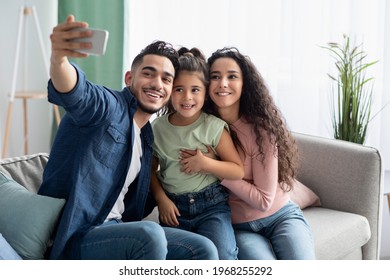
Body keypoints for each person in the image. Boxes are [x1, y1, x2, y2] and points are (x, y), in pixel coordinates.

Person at [37, 15, 219, 260]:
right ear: (129, 78)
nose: (157, 84)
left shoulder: (147, 137)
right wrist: (59, 59)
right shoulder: (108, 107)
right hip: (76, 236)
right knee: (150, 234)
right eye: (148, 74)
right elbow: (77, 92)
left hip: (117, 230)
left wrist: (209, 162)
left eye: (166, 79)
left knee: (203, 249)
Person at [201, 47, 316, 259]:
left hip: (281, 216)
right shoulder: (202, 129)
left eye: (232, 76)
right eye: (215, 77)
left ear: (245, 84)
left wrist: (215, 168)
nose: (222, 83)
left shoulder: (262, 129)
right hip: (239, 227)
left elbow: (264, 200)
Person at [150, 47, 244, 260]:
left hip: (211, 208)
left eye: (195, 90)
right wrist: (160, 198)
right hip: (174, 209)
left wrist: (205, 164)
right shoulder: (157, 128)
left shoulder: (213, 127)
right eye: (179, 89)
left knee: (224, 256)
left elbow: (237, 170)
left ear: (205, 92)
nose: (187, 97)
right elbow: (150, 169)